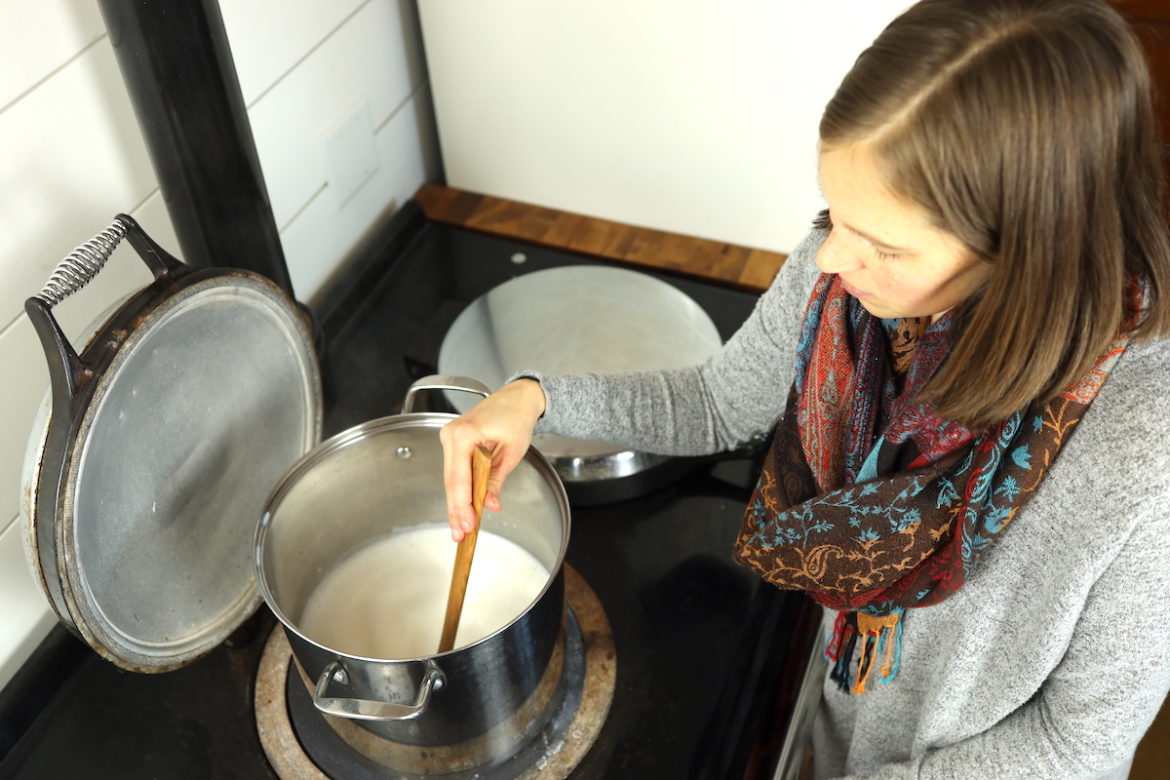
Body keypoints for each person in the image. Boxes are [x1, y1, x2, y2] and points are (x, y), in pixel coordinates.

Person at [439, 0, 1170, 777]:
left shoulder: (1143, 457)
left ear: (1030, 247)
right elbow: (718, 401)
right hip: (834, 719)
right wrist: (536, 398)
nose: (828, 260)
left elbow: (1077, 745)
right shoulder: (849, 275)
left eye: (881, 245)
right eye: (837, 214)